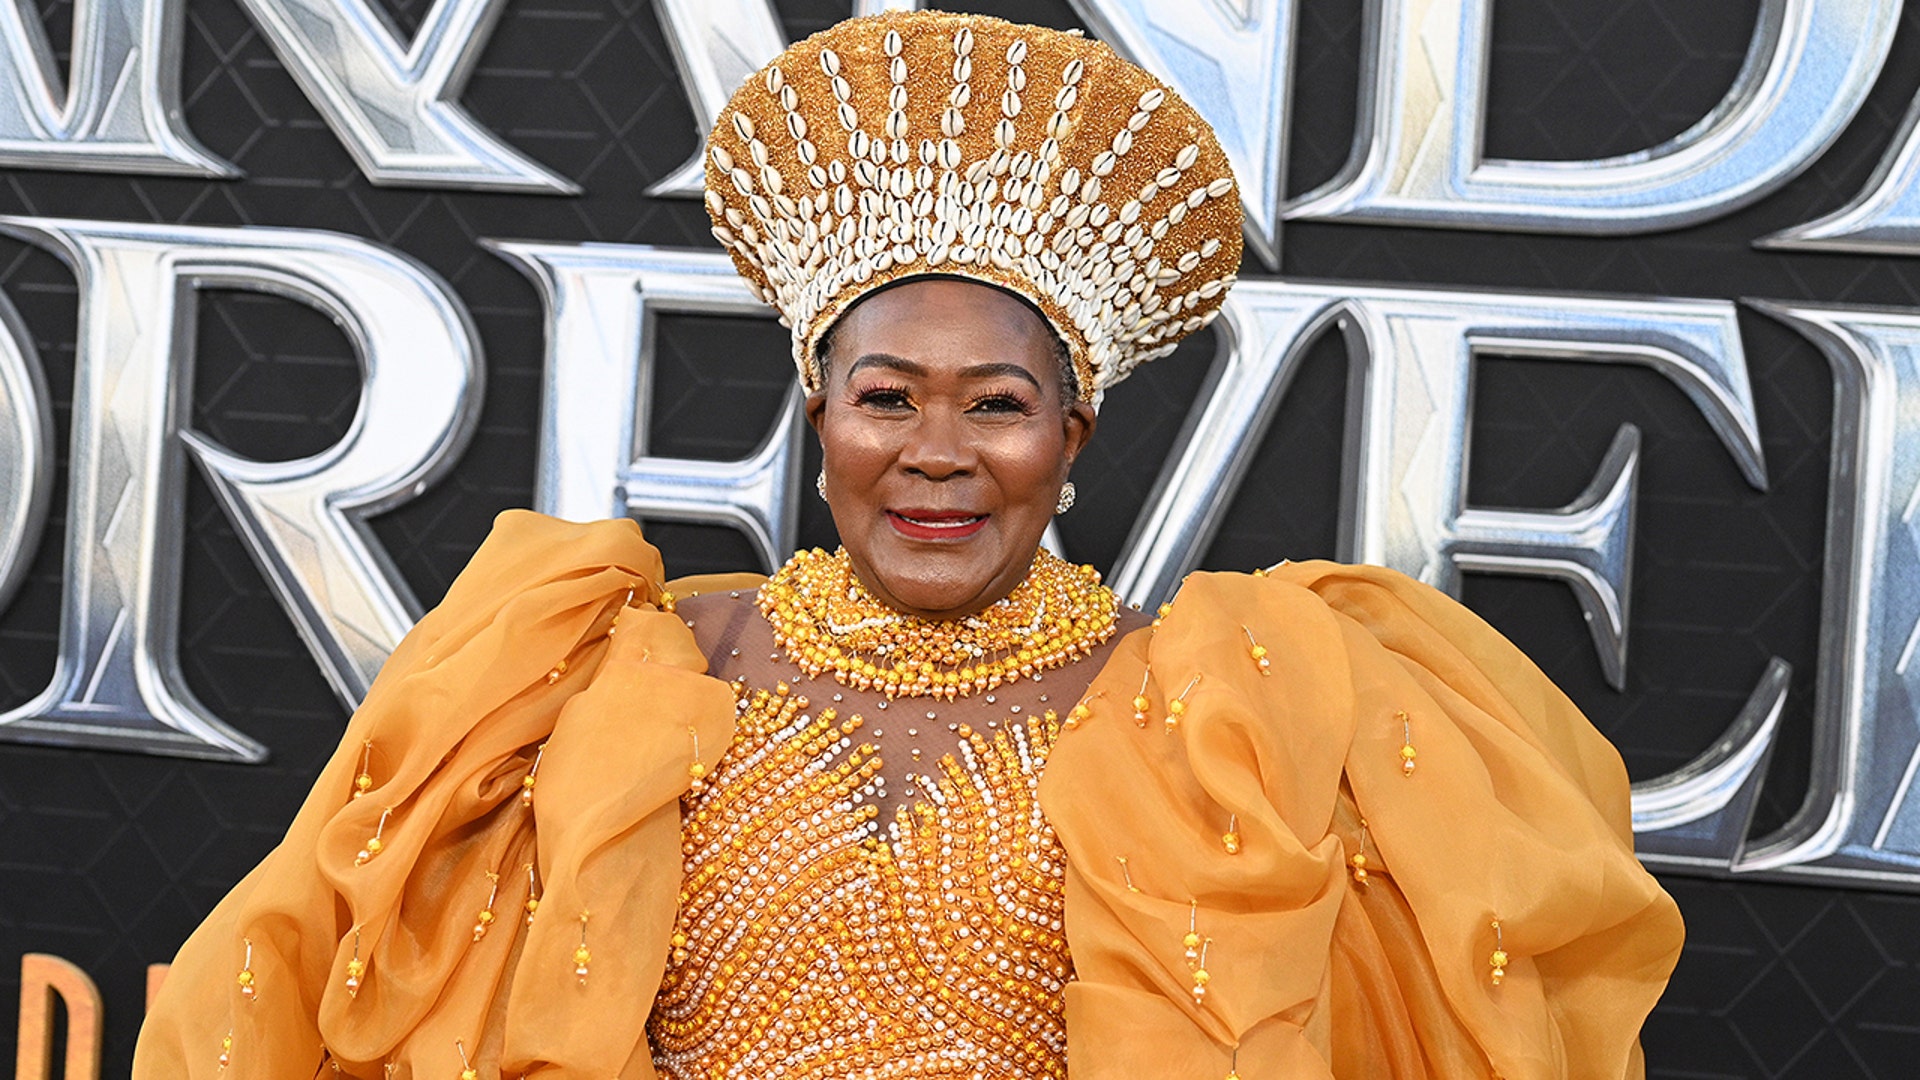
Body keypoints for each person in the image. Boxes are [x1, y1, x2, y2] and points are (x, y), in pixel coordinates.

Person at [134, 10, 1682, 1079]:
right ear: (818, 412)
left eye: (998, 404)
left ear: (1070, 442)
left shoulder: (1214, 710)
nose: (937, 452)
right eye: (888, 397)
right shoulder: (619, 662)